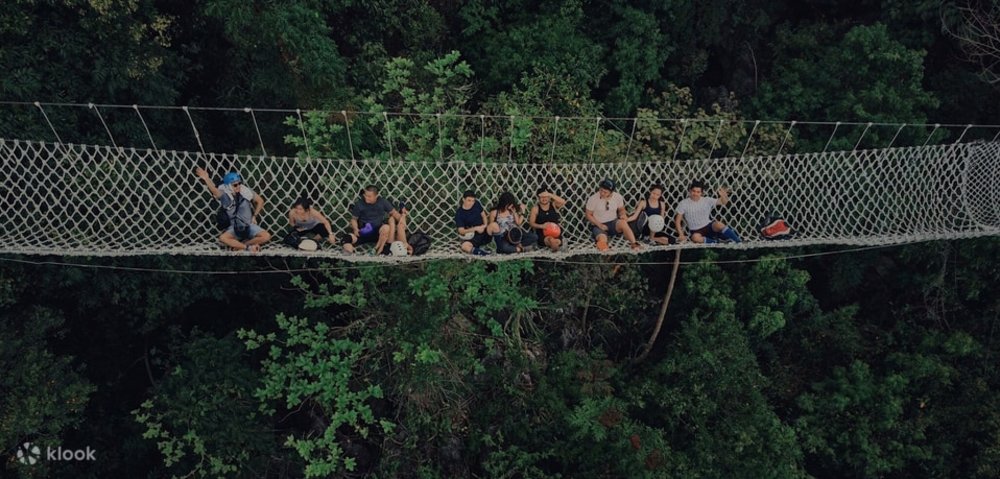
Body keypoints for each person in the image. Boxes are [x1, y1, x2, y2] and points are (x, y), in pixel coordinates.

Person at [195, 167, 271, 252]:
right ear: (228, 186)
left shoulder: (245, 192)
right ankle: (248, 247)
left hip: (248, 225)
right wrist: (206, 178)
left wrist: (255, 216)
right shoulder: (225, 196)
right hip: (234, 227)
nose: (238, 186)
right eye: (235, 185)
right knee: (223, 238)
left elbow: (260, 201)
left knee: (266, 236)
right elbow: (214, 190)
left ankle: (242, 245)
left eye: (239, 183)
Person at [674, 180, 742, 244]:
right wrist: (681, 235)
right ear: (690, 191)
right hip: (696, 231)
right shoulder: (683, 203)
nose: (695, 194)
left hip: (708, 226)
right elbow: (677, 221)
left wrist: (723, 196)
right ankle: (717, 242)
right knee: (695, 238)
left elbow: (723, 202)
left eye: (698, 192)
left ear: (701, 193)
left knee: (719, 224)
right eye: (693, 191)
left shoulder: (706, 200)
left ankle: (738, 241)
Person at [342, 185, 401, 254]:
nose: (366, 198)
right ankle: (350, 254)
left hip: (378, 234)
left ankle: (378, 250)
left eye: (369, 196)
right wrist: (355, 229)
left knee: (386, 227)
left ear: (376, 196)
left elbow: (394, 213)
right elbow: (354, 219)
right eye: (365, 195)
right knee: (346, 238)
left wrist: (403, 220)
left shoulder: (382, 202)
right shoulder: (359, 204)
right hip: (364, 232)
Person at [585, 178, 641, 251]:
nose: (602, 193)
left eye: (605, 192)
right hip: (598, 225)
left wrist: (623, 214)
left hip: (613, 223)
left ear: (611, 193)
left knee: (623, 223)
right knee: (602, 239)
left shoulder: (617, 197)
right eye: (601, 190)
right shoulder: (593, 199)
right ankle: (605, 249)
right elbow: (588, 214)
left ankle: (634, 244)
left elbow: (621, 209)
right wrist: (600, 225)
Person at [528, 187, 567, 252]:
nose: (544, 199)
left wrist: (550, 194)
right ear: (538, 198)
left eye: (546, 196)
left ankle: (555, 247)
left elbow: (563, 202)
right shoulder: (535, 209)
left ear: (549, 197)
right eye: (542, 197)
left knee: (556, 240)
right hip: (543, 233)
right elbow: (531, 223)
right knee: (551, 240)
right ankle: (556, 250)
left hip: (555, 232)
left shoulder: (553, 205)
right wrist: (542, 226)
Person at [455, 190, 491, 256]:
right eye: (469, 200)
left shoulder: (476, 203)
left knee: (493, 226)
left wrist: (484, 225)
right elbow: (461, 231)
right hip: (473, 236)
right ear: (463, 199)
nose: (471, 203)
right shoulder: (459, 213)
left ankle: (500, 248)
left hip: (484, 231)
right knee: (464, 246)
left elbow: (483, 215)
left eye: (473, 200)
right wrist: (476, 229)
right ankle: (482, 253)